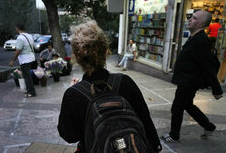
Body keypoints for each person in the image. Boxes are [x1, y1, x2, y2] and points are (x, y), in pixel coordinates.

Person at [58, 21, 162, 152]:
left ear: (76, 58)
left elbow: (69, 135)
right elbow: (145, 122)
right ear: (106, 52)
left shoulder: (73, 94)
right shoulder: (125, 82)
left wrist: (74, 90)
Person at [160, 10, 223, 142]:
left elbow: (207, 67)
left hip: (189, 81)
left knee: (177, 107)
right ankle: (208, 126)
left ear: (201, 24)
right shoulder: (194, 37)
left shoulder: (201, 41)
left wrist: (216, 89)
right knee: (188, 105)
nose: (189, 19)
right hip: (186, 79)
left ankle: (174, 135)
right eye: (190, 17)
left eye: (193, 18)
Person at [9, 24, 36, 98]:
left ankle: (31, 92)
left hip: (25, 60)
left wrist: (12, 60)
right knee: (28, 76)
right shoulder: (29, 36)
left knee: (27, 77)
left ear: (17, 28)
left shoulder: (20, 37)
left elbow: (18, 50)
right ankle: (29, 90)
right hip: (31, 58)